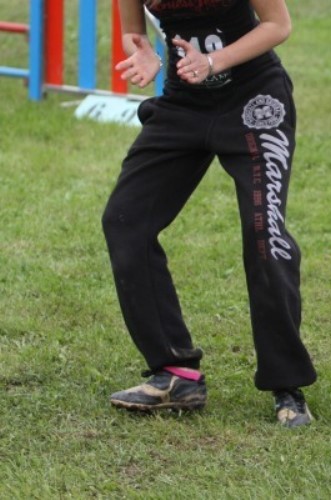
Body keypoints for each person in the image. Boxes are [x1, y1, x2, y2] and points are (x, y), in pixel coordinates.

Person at [102, 0, 317, 428]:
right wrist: (143, 51)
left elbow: (278, 25)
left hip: (255, 99)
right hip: (183, 105)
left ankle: (287, 387)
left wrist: (214, 59)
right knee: (125, 222)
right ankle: (176, 373)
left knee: (265, 236)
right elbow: (135, 31)